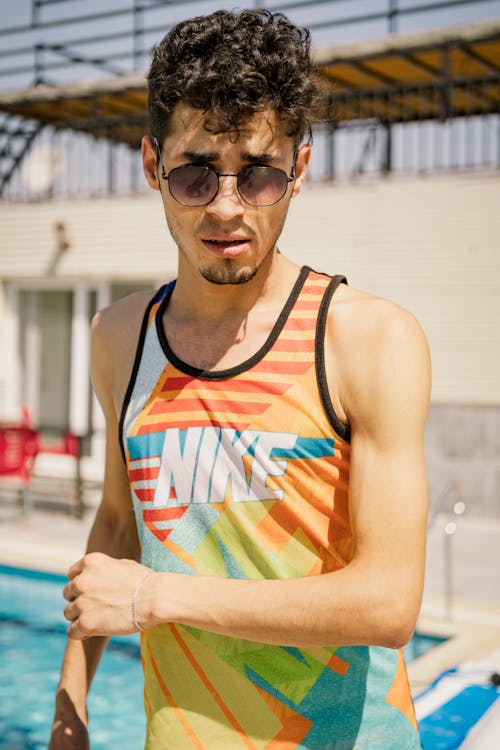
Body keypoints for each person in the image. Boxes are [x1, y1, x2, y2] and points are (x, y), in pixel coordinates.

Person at [49, 8, 431, 750]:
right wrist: (72, 703)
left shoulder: (366, 339)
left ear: (301, 170)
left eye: (257, 174)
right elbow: (120, 526)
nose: (226, 208)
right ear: (152, 165)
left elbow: (388, 600)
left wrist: (153, 597)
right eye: (195, 173)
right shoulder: (119, 339)